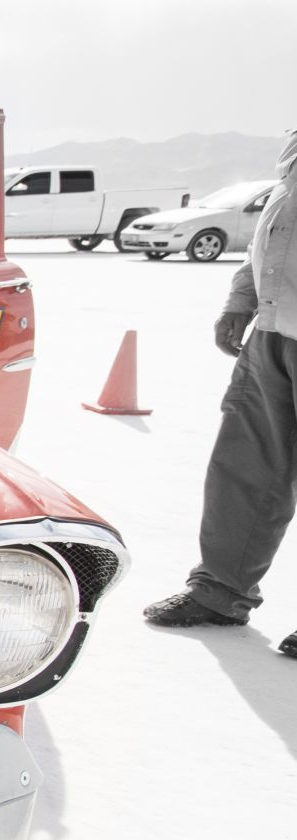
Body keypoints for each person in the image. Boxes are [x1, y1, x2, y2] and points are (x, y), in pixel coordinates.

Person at [143, 130, 297, 660]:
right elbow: (272, 242)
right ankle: (220, 593)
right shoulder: (293, 157)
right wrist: (241, 302)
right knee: (245, 468)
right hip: (274, 336)